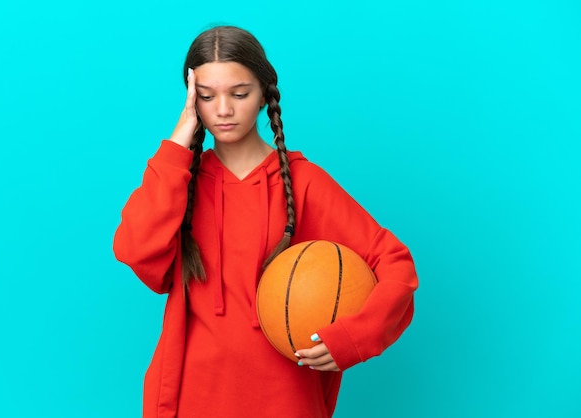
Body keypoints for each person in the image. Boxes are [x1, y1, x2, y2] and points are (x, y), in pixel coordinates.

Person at [113, 25, 418, 418]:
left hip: (287, 401)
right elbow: (134, 249)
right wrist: (177, 144)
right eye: (206, 97)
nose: (223, 109)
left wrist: (352, 338)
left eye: (239, 94)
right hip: (190, 398)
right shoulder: (179, 182)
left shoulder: (304, 182)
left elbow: (396, 265)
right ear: (192, 101)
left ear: (263, 94)